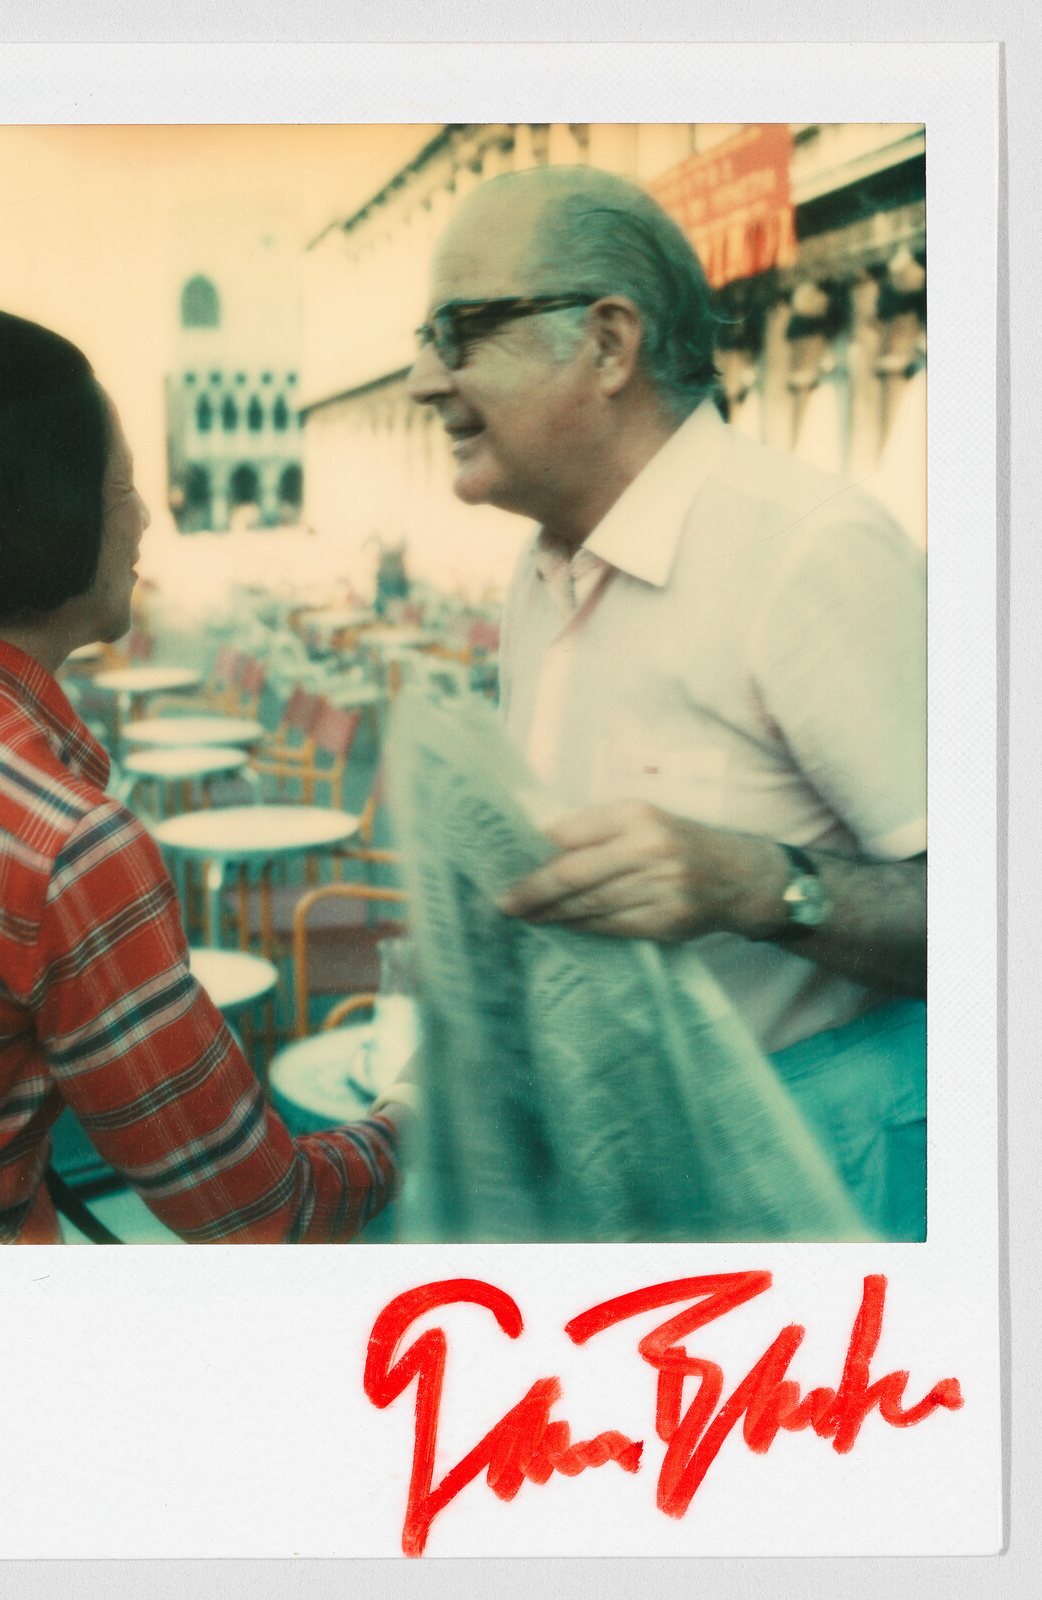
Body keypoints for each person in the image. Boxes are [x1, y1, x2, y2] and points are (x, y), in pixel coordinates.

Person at [408, 168, 927, 1240]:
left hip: (811, 1187)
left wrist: (756, 884)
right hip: (618, 1181)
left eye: (460, 331)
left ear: (607, 344)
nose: (423, 379)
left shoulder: (806, 549)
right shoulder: (539, 569)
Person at [0, 301, 406, 1243]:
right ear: (50, 518)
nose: (146, 519)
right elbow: (264, 1214)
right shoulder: (64, 847)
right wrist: (410, 1117)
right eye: (124, 488)